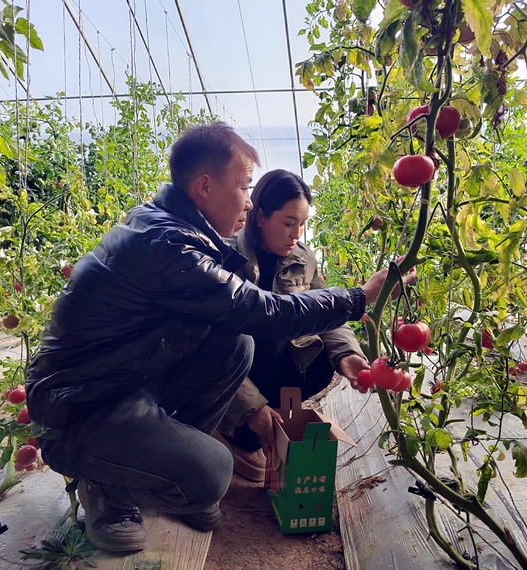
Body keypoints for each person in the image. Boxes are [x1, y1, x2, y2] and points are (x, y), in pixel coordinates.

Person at [25, 122, 406, 554]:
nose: (249, 199)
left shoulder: (176, 231)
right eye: (244, 186)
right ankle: (106, 483)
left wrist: (346, 351)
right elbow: (262, 309)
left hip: (125, 379)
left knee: (236, 346)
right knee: (213, 471)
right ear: (205, 187)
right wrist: (361, 296)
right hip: (79, 407)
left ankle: (163, 468)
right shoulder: (168, 246)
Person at [213, 169, 369, 482]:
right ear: (260, 216)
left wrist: (347, 354)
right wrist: (251, 406)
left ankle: (265, 424)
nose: (296, 233)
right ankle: (235, 426)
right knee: (270, 332)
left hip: (270, 367)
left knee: (319, 358)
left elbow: (325, 311)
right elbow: (211, 347)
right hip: (230, 367)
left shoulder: (303, 259)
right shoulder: (225, 258)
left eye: (302, 223)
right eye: (288, 223)